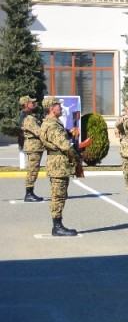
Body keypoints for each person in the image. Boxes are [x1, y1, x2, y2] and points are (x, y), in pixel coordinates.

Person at [38, 96, 82, 236]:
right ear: (52, 108)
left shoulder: (54, 123)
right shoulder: (51, 125)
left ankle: (58, 224)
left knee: (60, 194)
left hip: (58, 163)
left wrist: (69, 133)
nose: (61, 107)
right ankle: (57, 227)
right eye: (58, 105)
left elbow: (60, 139)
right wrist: (77, 159)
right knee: (58, 195)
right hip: (58, 164)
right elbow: (64, 146)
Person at [20, 95, 45, 202]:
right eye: (31, 103)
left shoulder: (30, 116)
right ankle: (29, 194)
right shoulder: (28, 119)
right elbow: (39, 132)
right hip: (33, 146)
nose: (34, 104)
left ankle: (30, 192)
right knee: (33, 170)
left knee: (34, 169)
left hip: (35, 146)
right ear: (26, 105)